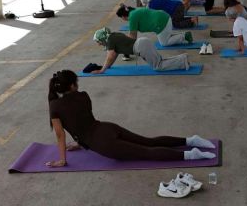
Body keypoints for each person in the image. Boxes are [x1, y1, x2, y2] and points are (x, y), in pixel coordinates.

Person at [46, 70, 215, 167]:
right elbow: (84, 120)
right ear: (71, 86)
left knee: (146, 153)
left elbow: (61, 135)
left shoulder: (54, 106)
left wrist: (62, 160)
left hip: (102, 142)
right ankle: (191, 140)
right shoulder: (83, 95)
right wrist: (79, 142)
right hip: (107, 128)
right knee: (149, 142)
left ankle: (191, 155)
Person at [90, 28, 190, 73]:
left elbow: (110, 55)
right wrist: (108, 66)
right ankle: (182, 59)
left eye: (99, 41)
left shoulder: (111, 40)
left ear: (103, 38)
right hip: (143, 43)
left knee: (158, 67)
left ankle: (183, 60)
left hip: (142, 47)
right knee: (160, 62)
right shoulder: (114, 35)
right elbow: (114, 54)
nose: (99, 44)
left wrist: (102, 70)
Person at [119, 6, 192, 47]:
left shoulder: (132, 17)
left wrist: (127, 49)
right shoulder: (134, 12)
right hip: (165, 18)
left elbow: (133, 36)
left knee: (164, 43)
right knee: (166, 37)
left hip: (162, 23)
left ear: (123, 16)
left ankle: (184, 36)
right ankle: (183, 35)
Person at [122, 0, 197, 30]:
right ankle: (192, 19)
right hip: (178, 4)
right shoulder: (151, 2)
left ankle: (192, 21)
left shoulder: (151, 8)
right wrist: (126, 7)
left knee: (175, 24)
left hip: (176, 9)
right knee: (178, 19)